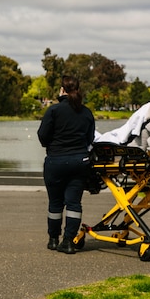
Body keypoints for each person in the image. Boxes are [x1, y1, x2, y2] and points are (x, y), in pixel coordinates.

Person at [37, 75, 95, 254]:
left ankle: (53, 239)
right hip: (79, 162)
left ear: (62, 90)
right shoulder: (86, 112)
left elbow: (43, 136)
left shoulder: (53, 111)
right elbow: (90, 138)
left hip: (56, 161)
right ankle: (69, 241)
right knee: (73, 203)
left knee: (55, 203)